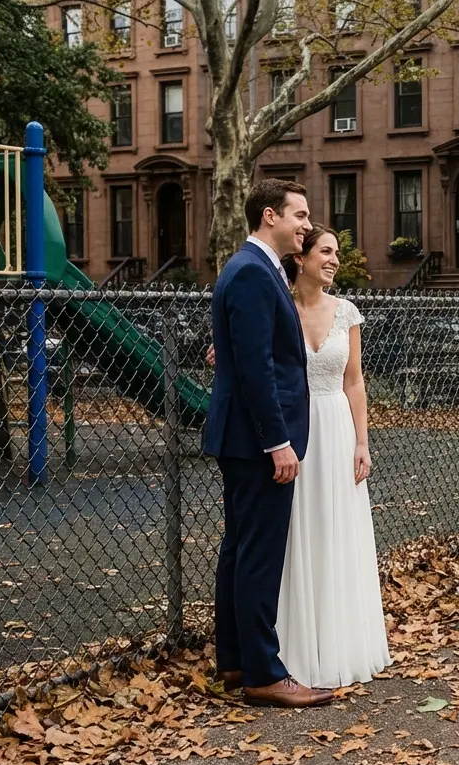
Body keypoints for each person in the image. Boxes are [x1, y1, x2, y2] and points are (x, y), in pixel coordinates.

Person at [203, 179, 332, 708]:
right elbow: (258, 369)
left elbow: (248, 354)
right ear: (270, 217)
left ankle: (234, 661)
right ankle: (262, 672)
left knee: (239, 551)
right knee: (258, 555)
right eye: (299, 216)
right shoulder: (254, 273)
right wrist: (277, 441)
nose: (307, 224)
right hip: (258, 441)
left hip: (241, 437)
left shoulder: (256, 270)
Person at [273, 224, 391, 688]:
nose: (335, 259)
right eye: (326, 251)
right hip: (295, 432)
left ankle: (342, 642)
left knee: (337, 531)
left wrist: (362, 441)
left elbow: (354, 381)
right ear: (300, 258)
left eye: (337, 252)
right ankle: (296, 647)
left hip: (338, 430)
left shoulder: (347, 312)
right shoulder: (279, 307)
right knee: (298, 530)